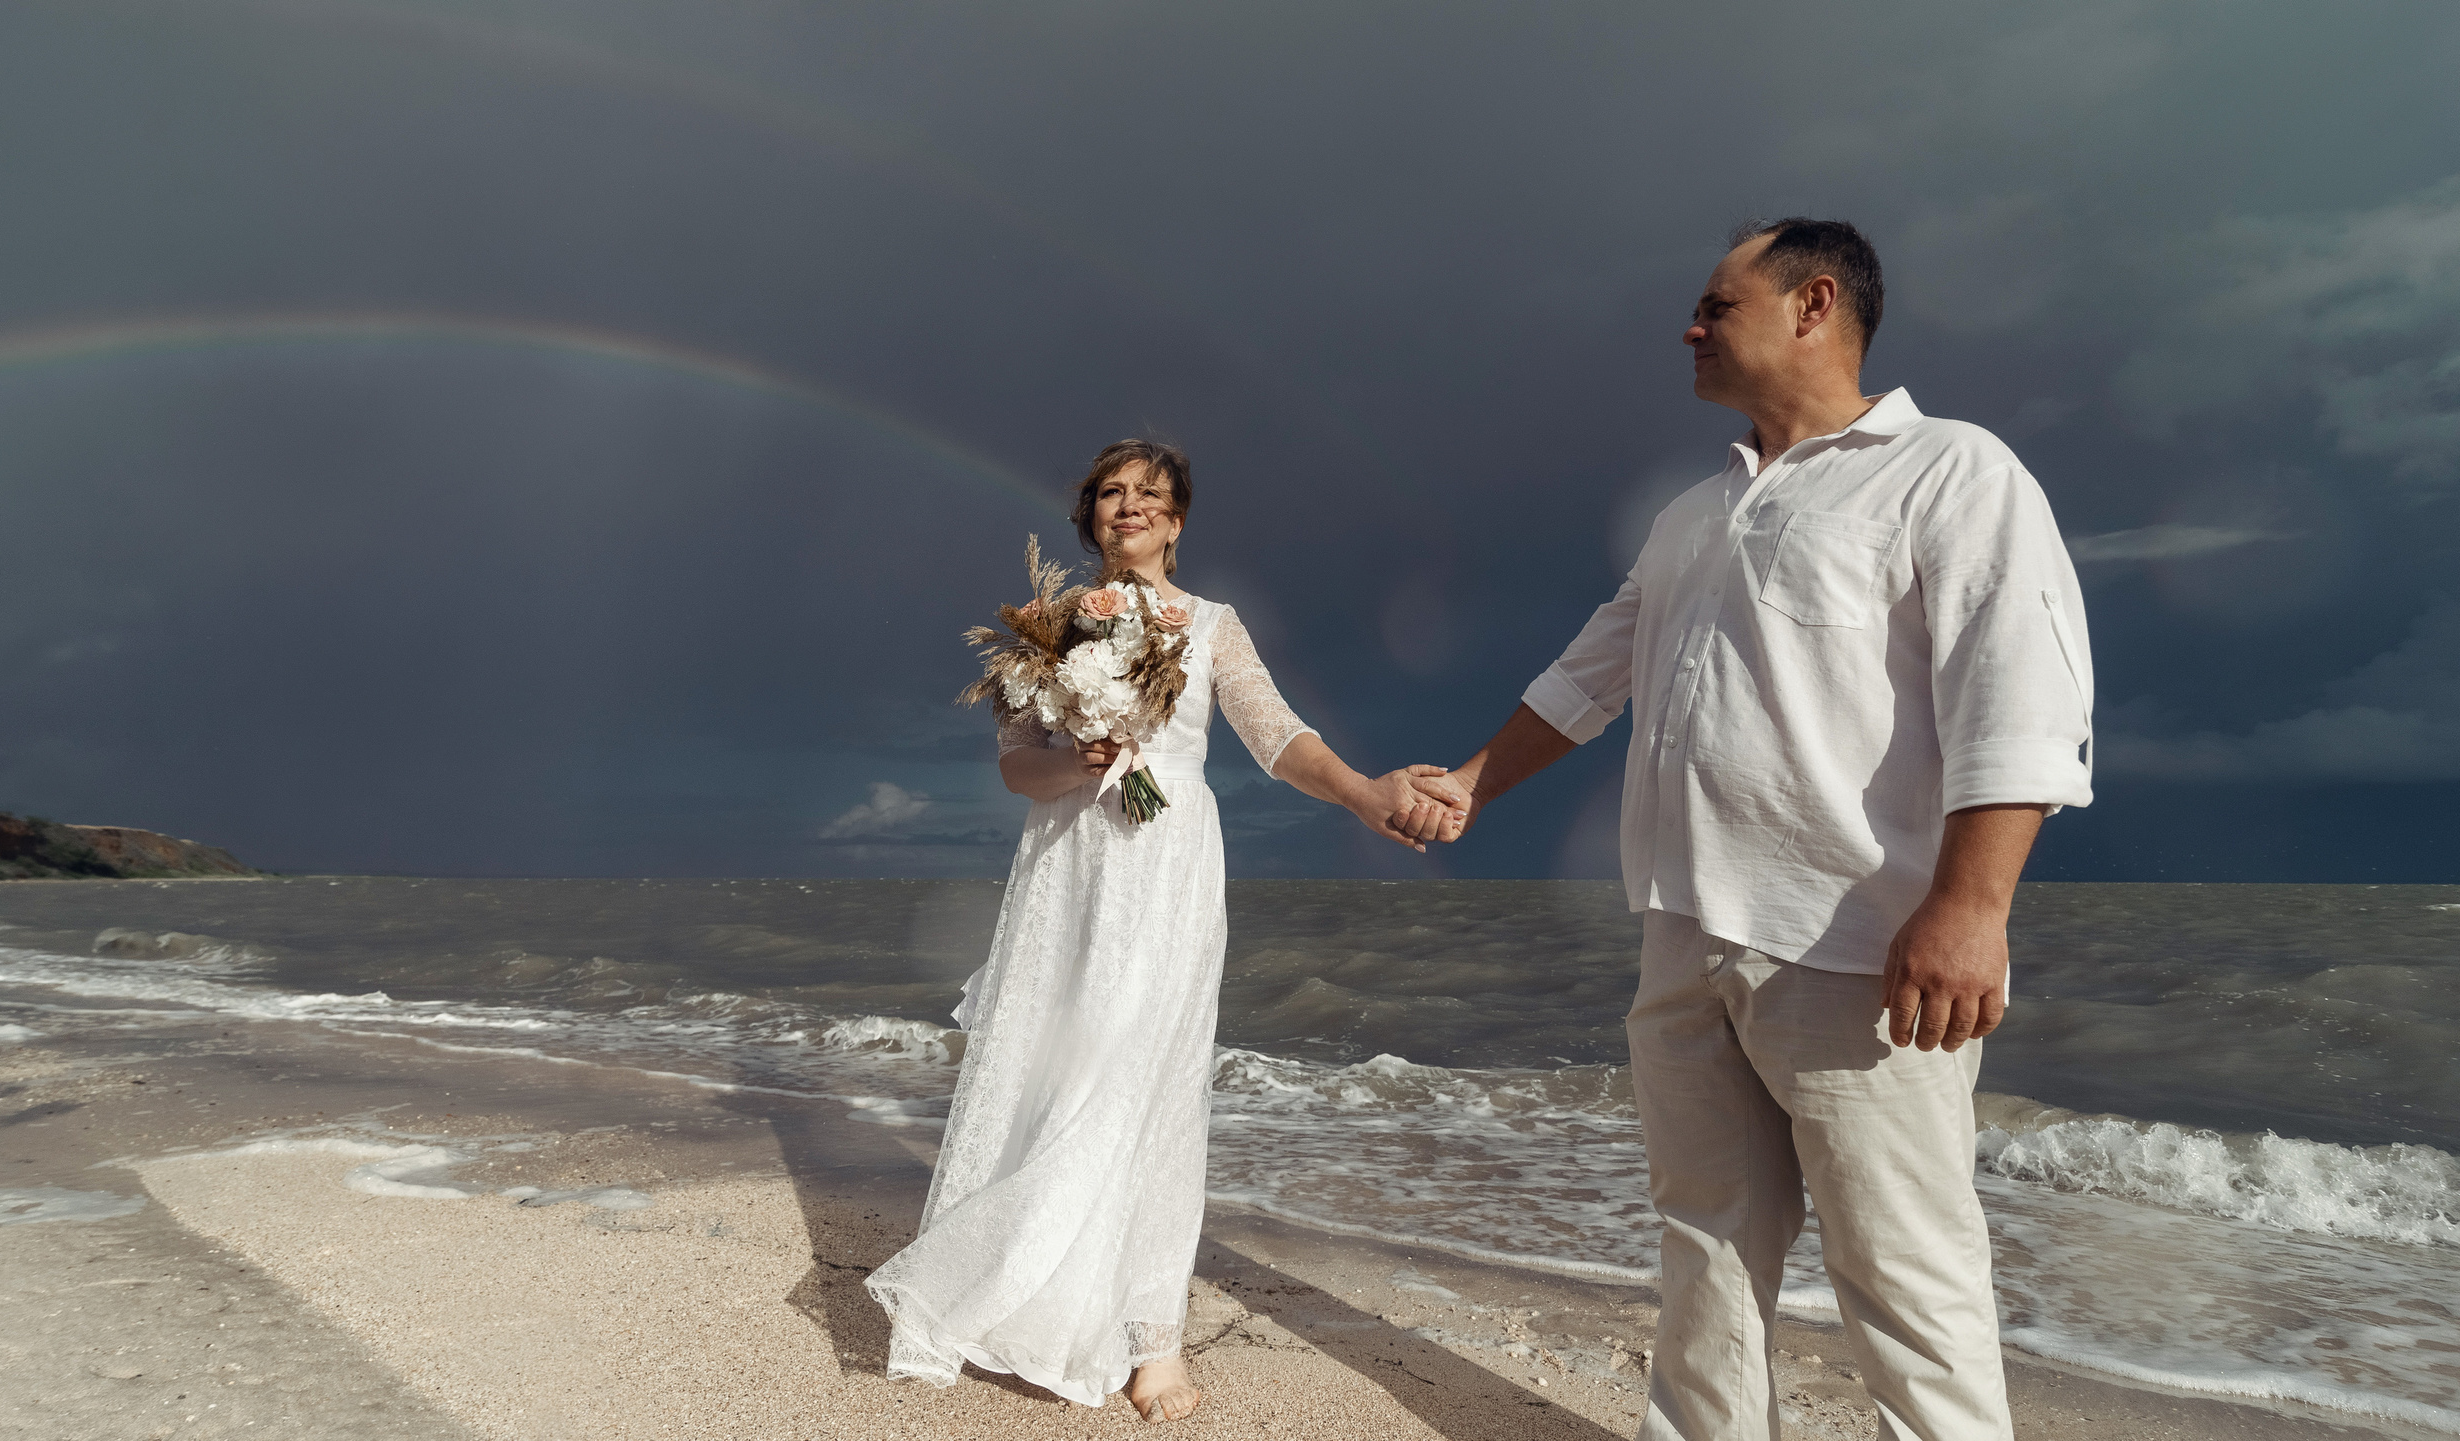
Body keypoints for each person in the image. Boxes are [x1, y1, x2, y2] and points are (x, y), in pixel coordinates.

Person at [1408, 219, 2093, 1439]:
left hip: (1861, 950)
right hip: (1680, 930)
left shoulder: (1949, 469)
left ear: (1811, 304)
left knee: (1907, 1281)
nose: (1688, 327)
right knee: (1704, 1255)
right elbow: (1587, 678)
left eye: (1713, 305)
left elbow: (2021, 696)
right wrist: (1469, 781)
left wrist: (1971, 906)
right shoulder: (1691, 512)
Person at [867, 438, 1463, 1423]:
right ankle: (1026, 1297)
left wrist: (1364, 796)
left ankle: (1151, 1341)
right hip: (1069, 864)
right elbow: (1019, 762)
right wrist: (1082, 759)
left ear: (1178, 521)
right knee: (1051, 1065)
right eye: (1109, 493)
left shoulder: (1214, 626)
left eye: (1148, 495)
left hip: (1166, 861)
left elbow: (1276, 735)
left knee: (1150, 1080)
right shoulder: (1046, 624)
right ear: (1088, 517)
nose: (1127, 507)